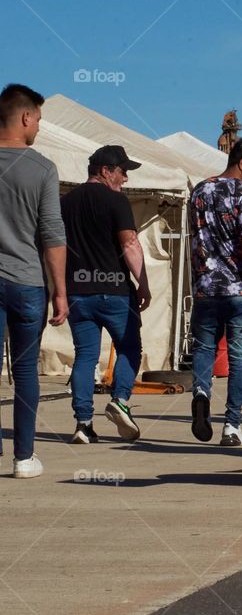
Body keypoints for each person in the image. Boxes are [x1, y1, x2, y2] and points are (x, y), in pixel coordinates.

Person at [61, 146, 150, 444]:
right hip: (114, 291)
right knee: (128, 347)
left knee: (85, 356)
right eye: (122, 171)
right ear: (105, 171)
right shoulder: (116, 200)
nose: (125, 178)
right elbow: (129, 244)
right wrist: (144, 283)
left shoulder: (65, 203)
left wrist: (59, 289)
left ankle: (83, 423)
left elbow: (53, 247)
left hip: (77, 291)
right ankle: (120, 401)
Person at [0, 83, 67, 478]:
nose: (39, 127)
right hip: (27, 283)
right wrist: (60, 292)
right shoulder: (42, 168)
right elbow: (52, 235)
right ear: (25, 117)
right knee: (25, 372)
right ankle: (24, 457)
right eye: (39, 119)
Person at [189, 138, 242, 446]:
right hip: (238, 290)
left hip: (205, 288)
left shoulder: (199, 190)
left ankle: (200, 392)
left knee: (204, 348)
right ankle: (232, 425)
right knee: (239, 358)